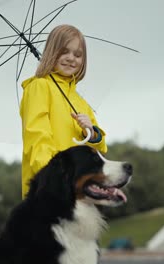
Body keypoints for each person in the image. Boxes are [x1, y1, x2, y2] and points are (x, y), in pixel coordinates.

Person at [19, 24, 108, 197]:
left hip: (79, 190)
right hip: (51, 187)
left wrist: (90, 131)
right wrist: (55, 179)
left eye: (78, 54)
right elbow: (37, 140)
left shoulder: (79, 100)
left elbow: (100, 146)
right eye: (64, 52)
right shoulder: (39, 87)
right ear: (51, 52)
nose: (71, 58)